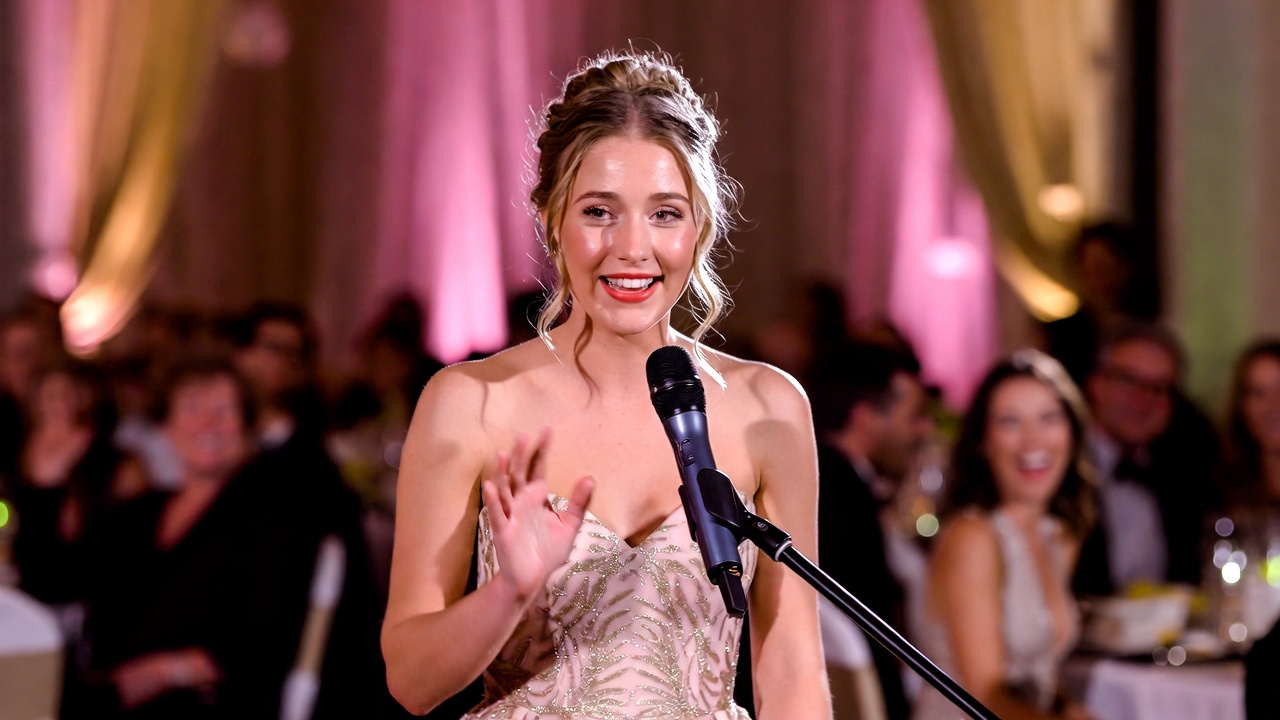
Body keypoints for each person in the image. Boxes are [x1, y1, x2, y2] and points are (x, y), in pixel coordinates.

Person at [380, 50, 830, 719]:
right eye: (598, 212)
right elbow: (411, 683)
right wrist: (507, 593)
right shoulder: (470, 403)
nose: (632, 247)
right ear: (550, 219)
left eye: (665, 213)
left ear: (700, 226)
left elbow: (791, 670)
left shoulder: (769, 408)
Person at [913, 349, 1096, 720]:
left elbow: (1035, 674)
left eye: (1049, 418)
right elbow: (986, 694)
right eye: (1010, 422)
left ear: (1072, 433)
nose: (1033, 441)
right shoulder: (972, 537)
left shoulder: (1056, 535)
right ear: (983, 442)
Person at [807, 340, 932, 720]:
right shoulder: (843, 498)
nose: (924, 430)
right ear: (865, 418)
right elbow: (869, 631)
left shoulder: (826, 476)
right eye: (914, 416)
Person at [1071, 323, 1222, 597]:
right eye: (1129, 381)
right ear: (1095, 384)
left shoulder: (1188, 472)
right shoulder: (1060, 470)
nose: (1143, 399)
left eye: (1159, 387)